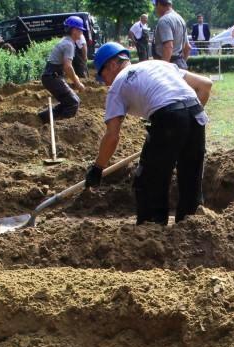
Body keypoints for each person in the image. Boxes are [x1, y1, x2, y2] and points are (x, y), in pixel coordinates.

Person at [86, 42, 213, 226]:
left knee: (147, 181)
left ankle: (151, 233)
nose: (105, 82)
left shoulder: (119, 83)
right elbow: (205, 85)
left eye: (103, 74)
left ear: (113, 64)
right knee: (190, 179)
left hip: (168, 116)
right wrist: (184, 123)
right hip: (195, 115)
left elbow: (112, 136)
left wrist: (97, 168)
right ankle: (190, 231)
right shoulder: (159, 64)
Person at [38, 16, 86, 123]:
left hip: (51, 76)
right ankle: (63, 128)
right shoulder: (69, 44)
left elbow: (67, 67)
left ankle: (43, 118)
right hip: (52, 77)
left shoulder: (66, 40)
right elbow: (67, 67)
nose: (82, 33)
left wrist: (76, 80)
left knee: (71, 101)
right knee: (73, 103)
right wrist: (77, 83)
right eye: (80, 30)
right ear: (74, 30)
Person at [154, 0, 189, 69]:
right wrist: (182, 63)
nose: (156, 9)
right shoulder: (180, 19)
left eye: (155, 6)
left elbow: (168, 46)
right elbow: (187, 47)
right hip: (179, 63)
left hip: (168, 65)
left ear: (158, 4)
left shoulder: (164, 20)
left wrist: (163, 69)